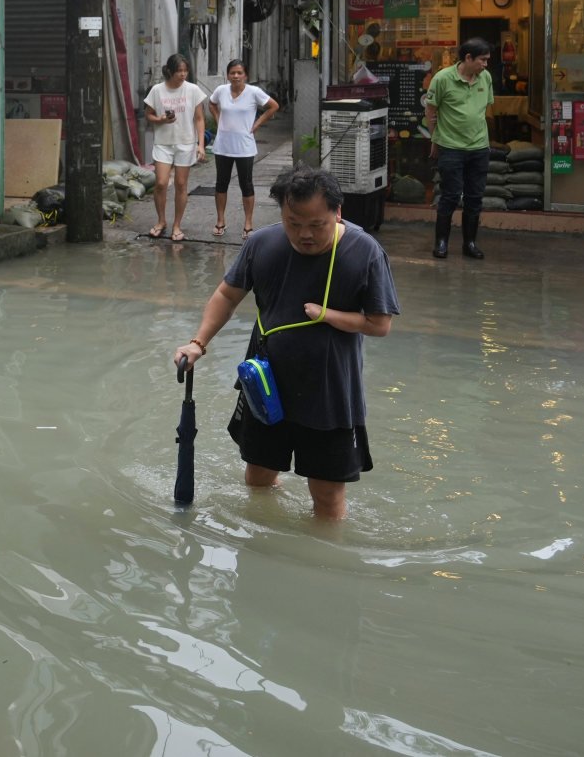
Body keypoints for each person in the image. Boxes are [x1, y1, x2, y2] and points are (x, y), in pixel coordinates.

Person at [170, 165, 399, 519]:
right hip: (265, 385)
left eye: (316, 224)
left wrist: (327, 315)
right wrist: (197, 343)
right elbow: (226, 296)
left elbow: (379, 324)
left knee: (326, 494)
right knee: (258, 477)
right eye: (293, 223)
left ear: (337, 213)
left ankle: (321, 563)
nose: (304, 234)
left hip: (330, 395)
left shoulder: (364, 252)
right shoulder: (262, 243)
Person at [423, 36, 494, 259]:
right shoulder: (443, 78)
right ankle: (441, 242)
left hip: (479, 148)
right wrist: (435, 140)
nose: (485, 64)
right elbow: (431, 111)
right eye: (482, 60)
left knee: (475, 197)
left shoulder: (486, 78)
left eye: (487, 60)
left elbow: (486, 111)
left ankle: (470, 243)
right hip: (451, 147)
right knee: (450, 196)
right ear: (468, 57)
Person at [207, 60, 278, 238]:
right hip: (223, 146)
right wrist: (218, 120)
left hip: (245, 147)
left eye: (239, 73)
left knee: (246, 185)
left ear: (245, 75)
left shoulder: (254, 92)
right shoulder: (221, 91)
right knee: (221, 184)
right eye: (232, 73)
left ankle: (248, 223)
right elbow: (211, 104)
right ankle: (220, 221)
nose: (236, 76)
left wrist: (256, 124)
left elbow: (273, 106)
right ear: (228, 75)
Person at [143, 54, 207, 243]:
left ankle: (177, 225)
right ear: (170, 71)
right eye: (179, 71)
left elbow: (199, 118)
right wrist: (161, 119)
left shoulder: (193, 90)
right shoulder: (157, 90)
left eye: (185, 71)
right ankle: (161, 221)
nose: (183, 74)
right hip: (163, 142)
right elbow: (149, 115)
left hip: (186, 142)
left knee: (181, 184)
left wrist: (200, 144)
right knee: (161, 183)